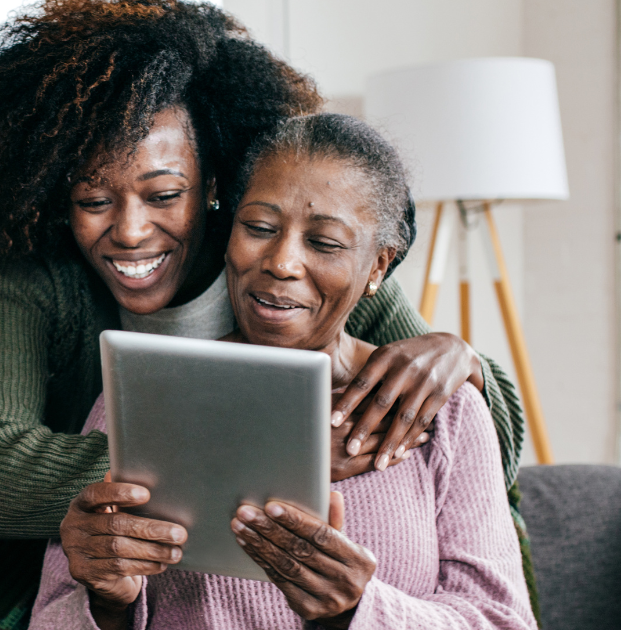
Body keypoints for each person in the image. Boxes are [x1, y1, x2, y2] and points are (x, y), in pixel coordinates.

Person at [0, 0, 524, 543]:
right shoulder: (26, 255)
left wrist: (462, 362)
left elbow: (489, 450)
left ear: (213, 185)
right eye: (93, 201)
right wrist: (271, 455)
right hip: (105, 573)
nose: (130, 231)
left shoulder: (291, 258)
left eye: (164, 195)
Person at [31, 113, 537, 629]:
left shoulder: (446, 412)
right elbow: (51, 621)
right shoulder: (140, 392)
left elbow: (503, 622)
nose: (281, 262)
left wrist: (359, 612)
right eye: (259, 228)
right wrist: (105, 604)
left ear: (378, 267)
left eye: (324, 243)